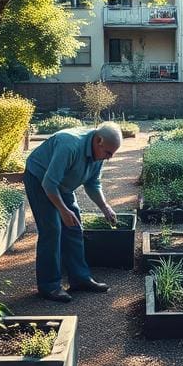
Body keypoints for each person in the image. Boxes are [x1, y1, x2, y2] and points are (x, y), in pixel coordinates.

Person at [23, 121, 122, 302]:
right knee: (52, 230)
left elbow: (92, 183)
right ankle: (49, 286)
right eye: (108, 153)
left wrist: (105, 207)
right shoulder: (69, 145)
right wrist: (62, 210)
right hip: (39, 178)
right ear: (98, 140)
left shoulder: (98, 154)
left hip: (61, 184)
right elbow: (49, 183)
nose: (109, 158)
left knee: (75, 226)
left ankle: (80, 279)